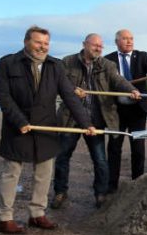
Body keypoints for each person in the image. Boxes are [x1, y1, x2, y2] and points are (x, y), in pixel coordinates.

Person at [0, 26, 95, 234]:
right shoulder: (7, 63)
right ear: (26, 42)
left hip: (46, 126)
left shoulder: (55, 65)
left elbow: (69, 96)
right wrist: (19, 120)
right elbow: (3, 97)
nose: (43, 47)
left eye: (46, 43)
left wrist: (86, 124)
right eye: (38, 42)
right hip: (17, 127)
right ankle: (5, 218)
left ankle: (37, 214)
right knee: (11, 173)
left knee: (43, 173)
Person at [52, 33, 141, 209]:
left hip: (96, 120)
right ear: (85, 44)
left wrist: (132, 90)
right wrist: (72, 89)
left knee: (100, 159)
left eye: (101, 46)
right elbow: (57, 83)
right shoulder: (67, 62)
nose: (98, 49)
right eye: (95, 46)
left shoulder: (107, 65)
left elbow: (118, 80)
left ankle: (100, 194)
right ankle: (60, 192)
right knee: (62, 157)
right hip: (71, 118)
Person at [105, 29, 147, 192]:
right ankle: (112, 186)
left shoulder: (142, 56)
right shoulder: (108, 60)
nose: (129, 41)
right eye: (125, 39)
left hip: (138, 110)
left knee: (138, 147)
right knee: (114, 147)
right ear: (117, 41)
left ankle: (137, 183)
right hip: (116, 111)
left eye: (131, 38)